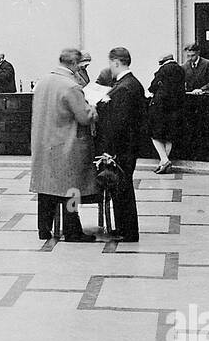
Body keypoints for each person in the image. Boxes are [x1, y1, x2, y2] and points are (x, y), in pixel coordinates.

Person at [30, 48, 98, 242]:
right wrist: (93, 109)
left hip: (44, 144)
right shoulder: (71, 86)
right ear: (75, 65)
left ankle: (44, 230)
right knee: (71, 190)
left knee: (46, 189)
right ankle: (72, 230)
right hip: (67, 146)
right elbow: (84, 117)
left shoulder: (43, 82)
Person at [93, 48, 147, 242]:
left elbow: (119, 123)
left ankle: (128, 231)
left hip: (121, 148)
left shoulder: (124, 87)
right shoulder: (131, 83)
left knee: (123, 190)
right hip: (127, 146)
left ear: (116, 62)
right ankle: (123, 227)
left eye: (110, 64)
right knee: (120, 189)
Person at [148, 53, 185, 174]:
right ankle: (163, 163)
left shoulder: (163, 70)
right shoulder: (180, 69)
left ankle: (164, 159)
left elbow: (152, 87)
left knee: (155, 134)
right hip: (175, 107)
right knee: (169, 136)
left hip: (160, 106)